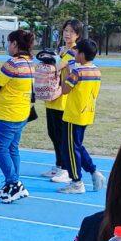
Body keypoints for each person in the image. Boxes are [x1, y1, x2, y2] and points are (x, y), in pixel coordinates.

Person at [0, 29, 36, 204]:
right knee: (12, 148)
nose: (7, 46)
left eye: (8, 42)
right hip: (22, 112)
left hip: (8, 114)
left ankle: (14, 183)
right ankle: (12, 183)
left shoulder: (12, 64)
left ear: (14, 44)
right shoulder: (30, 62)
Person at [56, 38, 104, 195]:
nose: (74, 54)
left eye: (76, 52)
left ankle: (76, 182)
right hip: (86, 113)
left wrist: (68, 72)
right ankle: (93, 171)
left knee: (70, 149)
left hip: (73, 115)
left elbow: (65, 90)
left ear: (82, 55)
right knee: (76, 145)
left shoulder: (77, 72)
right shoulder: (96, 71)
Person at [43, 19, 83, 184]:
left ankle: (66, 169)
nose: (68, 34)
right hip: (52, 97)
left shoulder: (74, 52)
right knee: (53, 133)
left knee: (61, 136)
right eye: (66, 30)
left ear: (77, 35)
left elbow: (56, 67)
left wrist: (45, 64)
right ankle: (59, 165)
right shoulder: (61, 50)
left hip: (63, 99)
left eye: (72, 32)